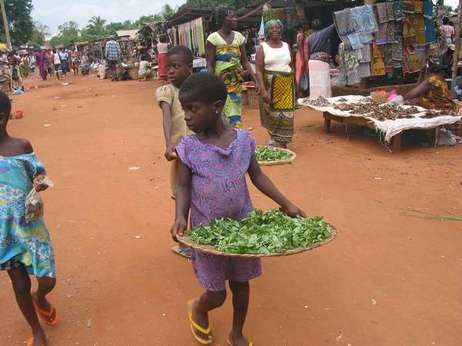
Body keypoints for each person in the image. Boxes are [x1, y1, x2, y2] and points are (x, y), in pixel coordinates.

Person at [171, 73, 305, 346]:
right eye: (185, 109)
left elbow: (258, 177)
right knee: (217, 294)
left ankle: (237, 332)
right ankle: (199, 307)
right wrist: (179, 218)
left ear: (217, 106)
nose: (187, 116)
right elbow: (183, 187)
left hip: (243, 228)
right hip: (208, 232)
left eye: (193, 109)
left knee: (242, 285)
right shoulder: (188, 147)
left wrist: (286, 202)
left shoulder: (243, 141)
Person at [0, 92, 57, 346]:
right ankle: (37, 330)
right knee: (19, 283)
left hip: (30, 227)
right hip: (4, 234)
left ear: (2, 118)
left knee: (48, 279)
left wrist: (39, 183)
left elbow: (41, 175)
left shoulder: (21, 147)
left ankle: (41, 296)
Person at [156, 46, 194, 258]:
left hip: (202, 150)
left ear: (189, 68)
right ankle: (184, 238)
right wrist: (169, 145)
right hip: (181, 153)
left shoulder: (198, 88)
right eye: (168, 66)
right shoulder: (167, 91)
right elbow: (167, 117)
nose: (170, 71)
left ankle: (202, 236)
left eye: (176, 66)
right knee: (183, 193)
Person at [207, 9, 256, 128]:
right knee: (223, 111)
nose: (235, 19)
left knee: (235, 112)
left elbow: (244, 61)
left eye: (235, 16)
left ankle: (234, 137)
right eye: (232, 17)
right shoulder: (213, 38)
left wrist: (255, 79)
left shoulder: (239, 37)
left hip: (236, 83)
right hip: (220, 82)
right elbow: (210, 64)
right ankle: (226, 138)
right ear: (223, 19)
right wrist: (210, 84)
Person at [255, 19, 295, 148]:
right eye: (271, 28)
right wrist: (263, 89)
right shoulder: (263, 47)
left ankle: (283, 140)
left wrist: (296, 83)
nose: (275, 30)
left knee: (287, 113)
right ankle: (274, 138)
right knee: (272, 112)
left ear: (281, 29)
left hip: (287, 84)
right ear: (267, 31)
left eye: (277, 27)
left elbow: (291, 65)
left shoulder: (286, 46)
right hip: (270, 85)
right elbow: (259, 71)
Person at [306, 19, 337, 98]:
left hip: (311, 62)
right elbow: (334, 25)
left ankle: (315, 100)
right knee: (323, 85)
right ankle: (323, 101)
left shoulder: (309, 38)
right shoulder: (324, 32)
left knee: (315, 85)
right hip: (321, 61)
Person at [294, 24, 306, 97]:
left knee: (298, 72)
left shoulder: (298, 35)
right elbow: (300, 47)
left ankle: (298, 90)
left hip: (299, 54)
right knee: (299, 73)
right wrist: (302, 58)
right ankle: (298, 91)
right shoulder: (301, 35)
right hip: (300, 55)